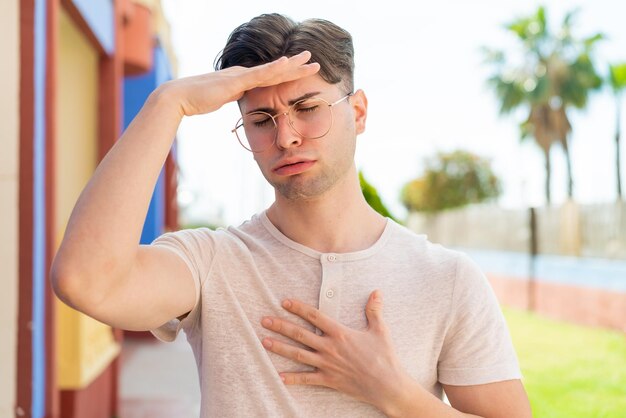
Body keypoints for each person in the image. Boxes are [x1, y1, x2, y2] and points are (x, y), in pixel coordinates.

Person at [51, 13, 532, 418]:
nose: (286, 137)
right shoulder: (211, 261)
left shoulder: (447, 277)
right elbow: (85, 279)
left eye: (307, 108)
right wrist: (167, 102)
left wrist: (395, 392)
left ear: (358, 112)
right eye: (262, 121)